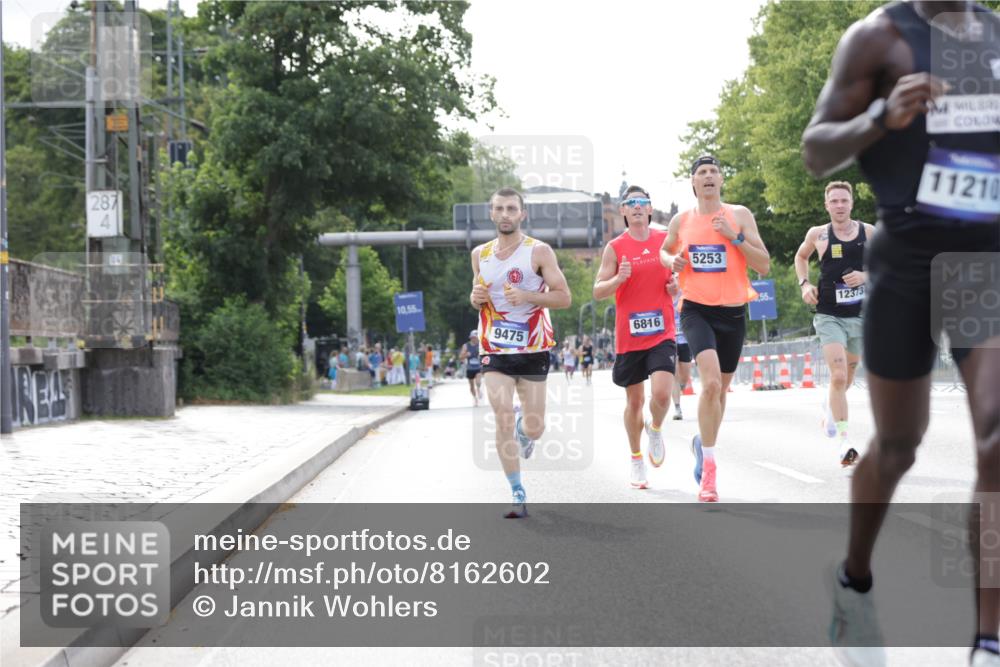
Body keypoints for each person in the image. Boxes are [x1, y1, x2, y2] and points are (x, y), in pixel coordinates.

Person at [802, 3, 1000, 665]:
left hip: (986, 262)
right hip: (908, 257)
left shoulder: (996, 34)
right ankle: (853, 578)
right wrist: (882, 117)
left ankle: (989, 639)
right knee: (897, 444)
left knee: (998, 434)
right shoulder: (878, 38)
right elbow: (814, 150)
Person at [660, 155, 771, 502]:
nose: (708, 177)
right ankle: (709, 471)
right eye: (701, 173)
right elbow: (665, 251)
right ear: (693, 182)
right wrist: (671, 261)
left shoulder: (739, 215)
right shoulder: (681, 220)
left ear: (721, 180)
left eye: (713, 172)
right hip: (696, 310)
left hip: (733, 313)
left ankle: (701, 444)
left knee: (720, 393)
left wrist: (734, 237)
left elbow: (764, 265)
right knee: (708, 384)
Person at [470, 187, 572, 518]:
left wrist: (529, 295)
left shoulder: (538, 252)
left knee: (535, 427)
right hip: (495, 346)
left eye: (511, 208)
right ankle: (516, 491)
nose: (505, 214)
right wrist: (475, 298)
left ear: (522, 214)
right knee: (500, 410)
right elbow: (479, 296)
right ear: (491, 213)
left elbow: (563, 297)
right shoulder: (479, 255)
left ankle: (523, 432)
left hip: (532, 346)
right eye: (499, 208)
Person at [594, 185, 676, 490]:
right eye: (632, 203)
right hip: (629, 336)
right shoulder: (615, 247)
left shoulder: (664, 240)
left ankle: (655, 428)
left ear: (651, 209)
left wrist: (675, 287)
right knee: (635, 401)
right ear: (623, 211)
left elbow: (679, 277)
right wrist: (619, 278)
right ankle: (636, 458)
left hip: (662, 331)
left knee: (663, 394)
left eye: (644, 202)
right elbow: (598, 290)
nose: (639, 207)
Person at [795, 181, 877, 467]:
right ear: (826, 205)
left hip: (860, 315)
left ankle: (831, 409)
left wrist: (866, 277)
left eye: (844, 200)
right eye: (834, 201)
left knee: (848, 376)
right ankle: (845, 443)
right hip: (829, 314)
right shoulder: (818, 235)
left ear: (851, 203)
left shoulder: (869, 233)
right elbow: (801, 256)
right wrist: (804, 283)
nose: (839, 206)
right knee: (839, 375)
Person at [669, 278, 693, 420]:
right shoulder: (663, 297)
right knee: (674, 374)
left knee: (684, 375)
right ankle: (677, 408)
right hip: (669, 340)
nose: (674, 282)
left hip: (685, 339)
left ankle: (681, 386)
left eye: (676, 279)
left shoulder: (685, 295)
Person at [460, 330, 484, 406]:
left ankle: (479, 390)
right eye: (473, 338)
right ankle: (475, 398)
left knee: (478, 381)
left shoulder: (480, 345)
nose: (475, 339)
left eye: (476, 338)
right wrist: (466, 354)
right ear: (471, 338)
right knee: (471, 386)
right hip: (470, 368)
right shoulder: (466, 346)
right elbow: (461, 357)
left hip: (478, 367)